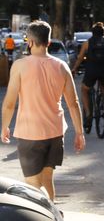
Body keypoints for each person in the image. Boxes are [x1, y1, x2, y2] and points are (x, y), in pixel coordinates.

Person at [1, 20, 85, 201]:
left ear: (30, 42)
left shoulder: (20, 66)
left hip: (30, 134)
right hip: (55, 132)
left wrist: (5, 127)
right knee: (47, 179)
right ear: (48, 42)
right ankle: (53, 214)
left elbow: (9, 103)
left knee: (33, 186)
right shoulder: (62, 67)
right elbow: (73, 103)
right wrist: (79, 132)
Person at [71, 22, 104, 126]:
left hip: (92, 70)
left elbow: (80, 58)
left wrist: (74, 69)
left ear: (92, 33)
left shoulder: (87, 43)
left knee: (84, 89)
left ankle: (88, 114)